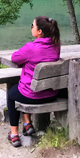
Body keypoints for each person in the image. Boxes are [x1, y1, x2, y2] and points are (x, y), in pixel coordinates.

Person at [7, 16, 61, 147]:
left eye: (33, 25)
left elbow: (15, 58)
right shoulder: (56, 45)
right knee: (25, 84)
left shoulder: (31, 48)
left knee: (11, 95)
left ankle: (14, 134)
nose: (31, 27)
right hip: (51, 94)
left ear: (40, 31)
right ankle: (27, 124)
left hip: (33, 95)